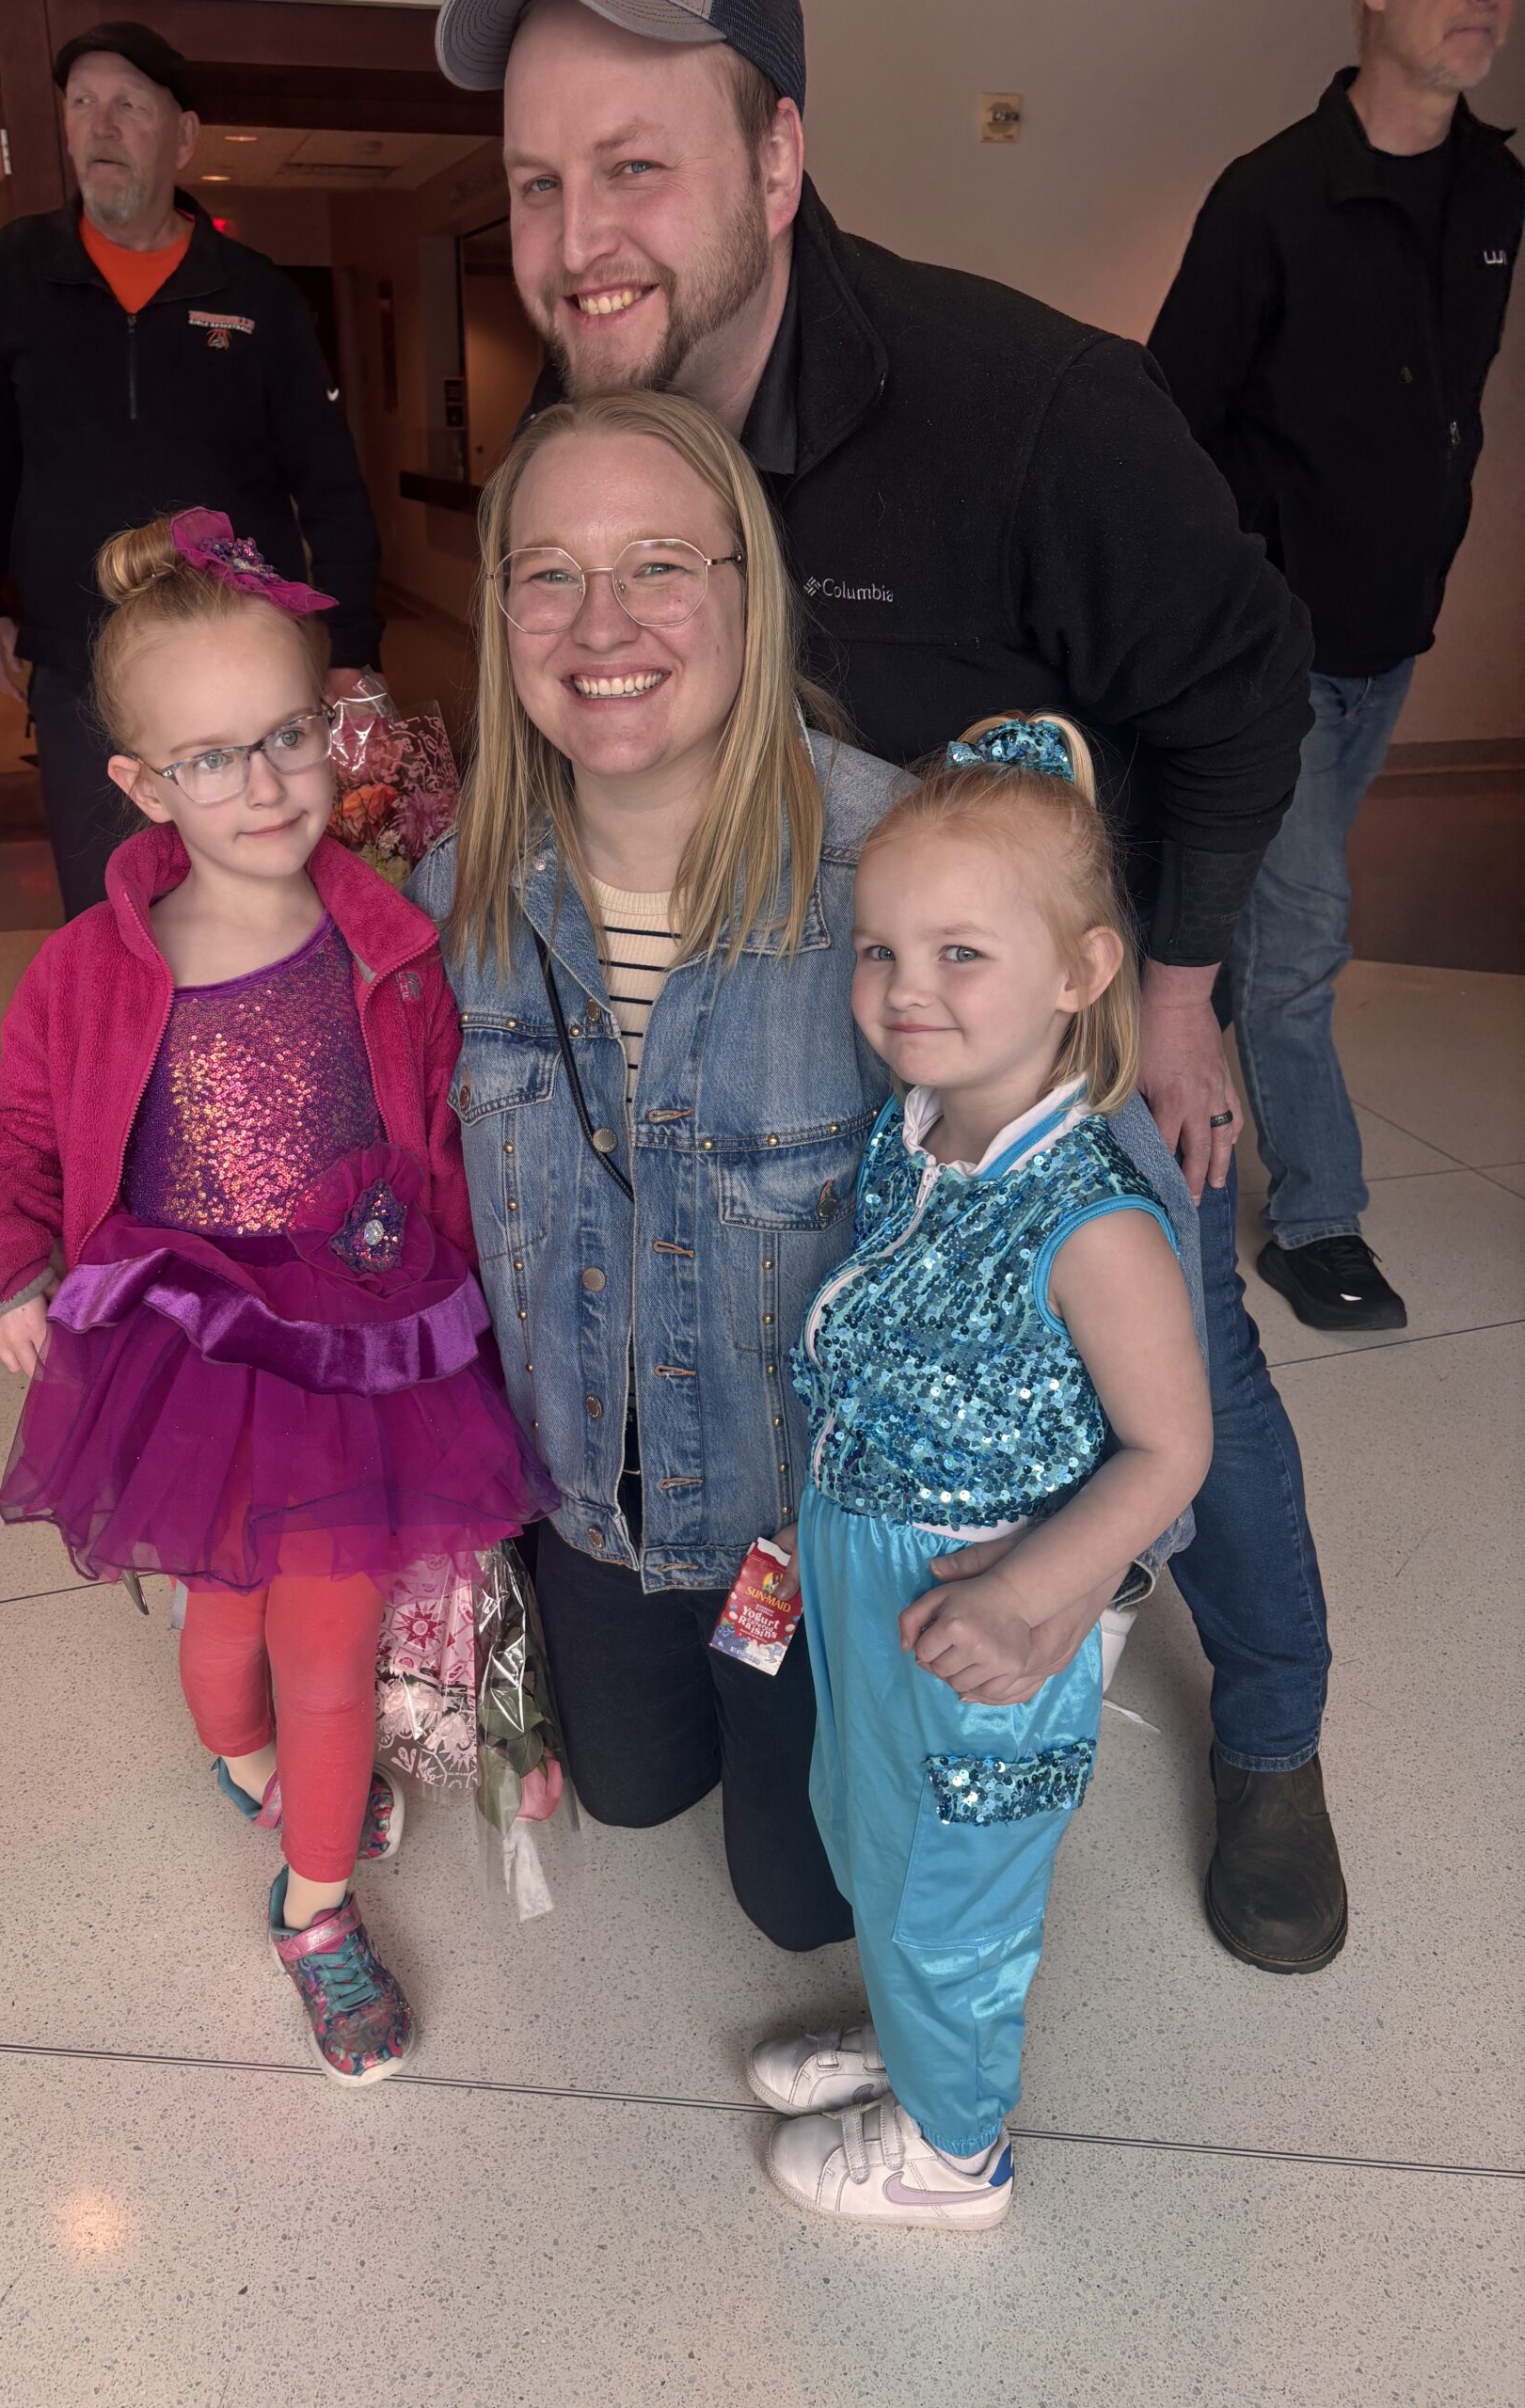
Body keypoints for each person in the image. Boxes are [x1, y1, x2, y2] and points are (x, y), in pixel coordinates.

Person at [437, 0, 1350, 1976]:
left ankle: (1273, 1731)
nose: (576, 230)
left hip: (1047, 1030)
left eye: (633, 167)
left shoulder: (1030, 405)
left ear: (775, 164)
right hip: (795, 1089)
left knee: (1172, 1345)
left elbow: (1243, 686)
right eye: (535, 179)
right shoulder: (592, 412)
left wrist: (1175, 997)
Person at [407, 391, 1202, 1951]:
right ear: (500, 615)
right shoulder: (458, 897)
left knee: (803, 1910)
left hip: (816, 1528)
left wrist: (1076, 1572)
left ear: (749, 595)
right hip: (592, 1507)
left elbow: (1119, 1233)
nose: (602, 622)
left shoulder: (909, 882)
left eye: (658, 565)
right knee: (632, 1793)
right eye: (549, 575)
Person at [0, 510, 552, 2081]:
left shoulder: (397, 938)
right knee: (222, 1625)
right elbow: (8, 1136)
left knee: (327, 1641)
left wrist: (508, 1301)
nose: (261, 785)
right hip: (187, 1345)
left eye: (281, 738)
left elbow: (466, 1120)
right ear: (140, 785)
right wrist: (0, 1266)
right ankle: (244, 1756)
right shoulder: (90, 967)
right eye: (209, 758)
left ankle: (316, 1910)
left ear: (333, 727)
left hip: (368, 1340)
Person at [748, 714, 1211, 2226]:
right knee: (873, 1833)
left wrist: (1036, 1589)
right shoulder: (920, 1134)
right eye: (880, 953)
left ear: (1081, 973)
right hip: (860, 1563)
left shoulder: (1097, 1218)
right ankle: (911, 2034)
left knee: (957, 1884)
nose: (902, 992)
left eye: (962, 955)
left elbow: (1171, 1446)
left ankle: (957, 2152)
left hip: (984, 1615)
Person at [1150, 0, 1520, 1334]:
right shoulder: (1270, 199)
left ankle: (1172, 1058)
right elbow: (1167, 417)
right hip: (1274, 648)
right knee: (1304, 941)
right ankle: (1316, 1217)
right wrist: (1227, 601)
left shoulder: (1495, 192)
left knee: (1261, 926)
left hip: (1391, 639)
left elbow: (1444, 411)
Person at [0, 21, 384, 918]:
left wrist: (353, 650)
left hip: (240, 669)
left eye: (129, 108)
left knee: (254, 894)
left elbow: (330, 480)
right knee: (105, 907)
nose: (101, 126)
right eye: (82, 106)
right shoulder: (15, 272)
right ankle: (128, 1059)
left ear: (181, 138)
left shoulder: (254, 293)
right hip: (80, 656)